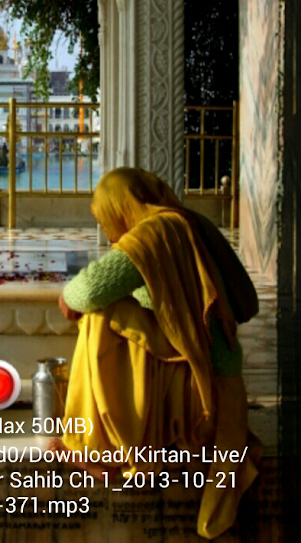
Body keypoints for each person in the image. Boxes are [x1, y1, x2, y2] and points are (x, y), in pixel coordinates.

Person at [53, 167, 262, 540]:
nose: (107, 231)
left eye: (105, 217)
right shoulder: (191, 223)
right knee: (120, 311)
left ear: (122, 206)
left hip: (201, 399)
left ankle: (97, 447)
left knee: (100, 315)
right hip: (218, 387)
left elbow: (85, 292)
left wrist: (68, 298)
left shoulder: (157, 232)